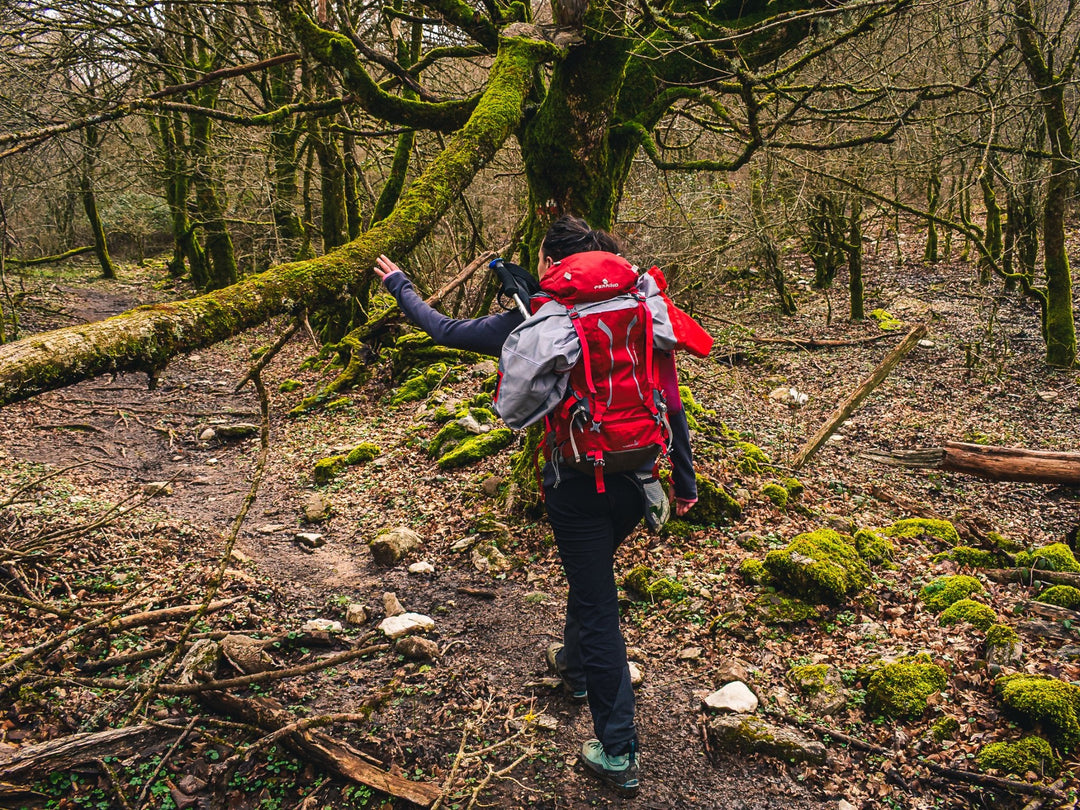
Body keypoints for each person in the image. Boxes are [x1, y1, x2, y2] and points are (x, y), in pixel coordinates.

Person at [374, 216, 700, 796]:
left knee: (599, 604)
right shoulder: (643, 305)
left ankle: (619, 749)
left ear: (552, 262)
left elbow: (445, 330)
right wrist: (685, 480)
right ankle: (574, 670)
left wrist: (401, 285)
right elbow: (669, 397)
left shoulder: (539, 318)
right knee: (592, 578)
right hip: (641, 472)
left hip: (574, 481)